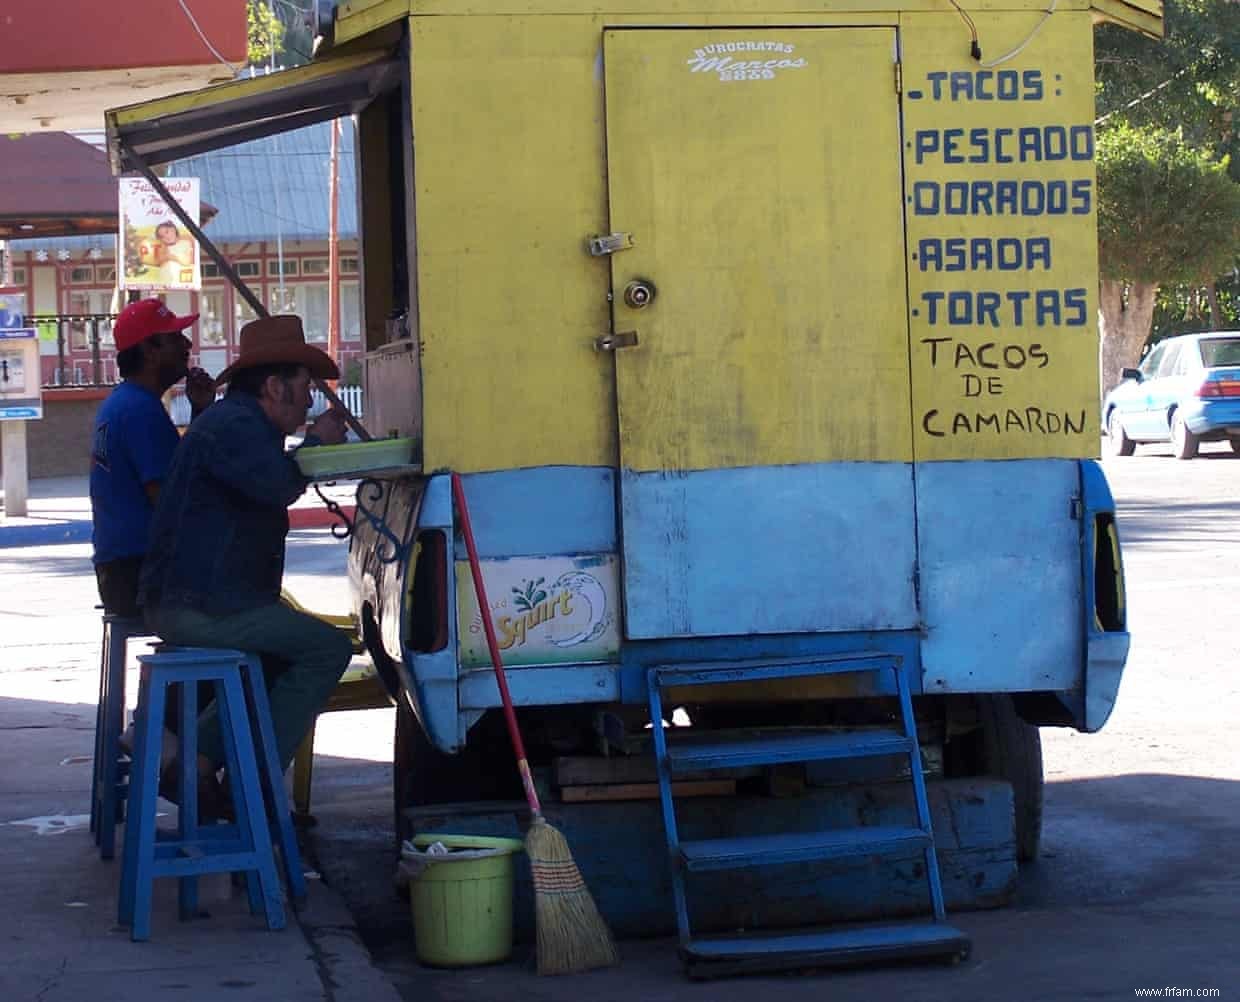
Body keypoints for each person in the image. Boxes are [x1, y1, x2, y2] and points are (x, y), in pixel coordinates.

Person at [139, 314, 352, 817]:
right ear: (275, 387)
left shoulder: (236, 422)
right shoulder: (236, 426)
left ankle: (193, 759)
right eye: (303, 389)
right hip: (200, 604)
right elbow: (278, 485)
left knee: (275, 657)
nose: (309, 401)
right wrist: (317, 443)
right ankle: (249, 787)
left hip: (202, 598)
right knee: (326, 650)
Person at [89, 298, 215, 619]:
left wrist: (200, 412)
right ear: (149, 350)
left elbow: (176, 471)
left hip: (122, 573)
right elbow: (172, 500)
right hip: (142, 575)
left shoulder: (124, 402)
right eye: (174, 338)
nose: (186, 344)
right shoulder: (140, 410)